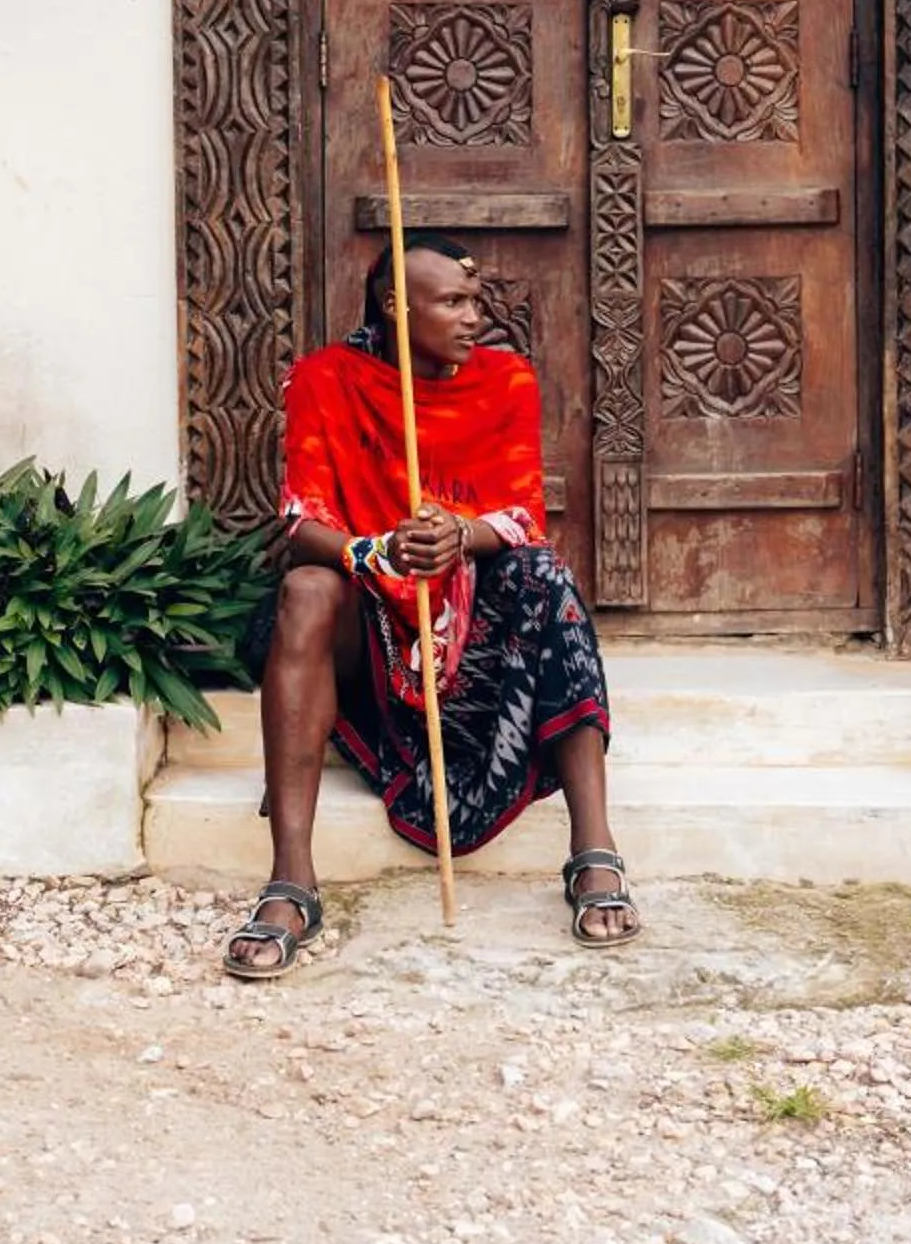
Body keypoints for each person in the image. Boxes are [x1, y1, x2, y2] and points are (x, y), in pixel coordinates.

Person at [221, 233, 640, 978]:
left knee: (547, 577)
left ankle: (593, 848)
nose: (474, 316)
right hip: (371, 620)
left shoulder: (508, 380)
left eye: (475, 300)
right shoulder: (325, 378)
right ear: (395, 308)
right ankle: (292, 878)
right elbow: (299, 519)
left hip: (470, 624)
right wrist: (372, 552)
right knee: (305, 588)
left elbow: (522, 516)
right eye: (453, 301)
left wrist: (460, 535)